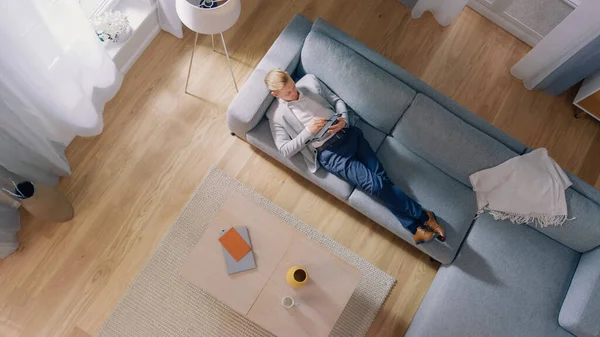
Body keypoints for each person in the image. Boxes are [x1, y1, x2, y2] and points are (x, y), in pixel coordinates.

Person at [263, 69, 446, 244]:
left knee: (382, 181)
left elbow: (336, 100)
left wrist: (343, 120)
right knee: (375, 185)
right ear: (276, 95)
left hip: (349, 134)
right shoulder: (277, 117)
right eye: (288, 93)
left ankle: (415, 229)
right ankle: (424, 216)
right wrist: (308, 132)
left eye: (293, 86)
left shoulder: (310, 81)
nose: (294, 92)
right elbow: (285, 150)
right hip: (332, 154)